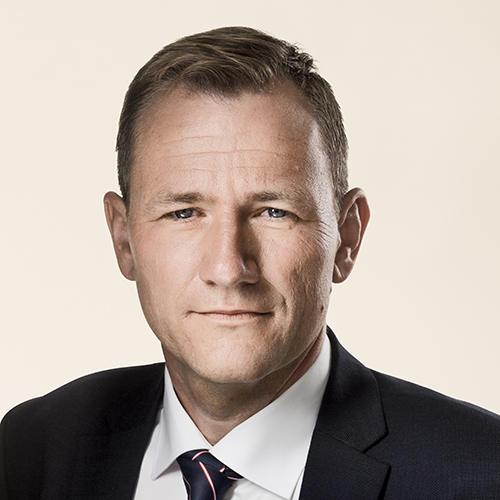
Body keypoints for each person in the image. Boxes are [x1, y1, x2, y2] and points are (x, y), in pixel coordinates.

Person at [1, 26, 499, 500]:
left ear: (346, 237)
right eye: (183, 212)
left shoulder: (482, 473)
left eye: (273, 212)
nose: (228, 267)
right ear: (124, 239)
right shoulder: (31, 451)